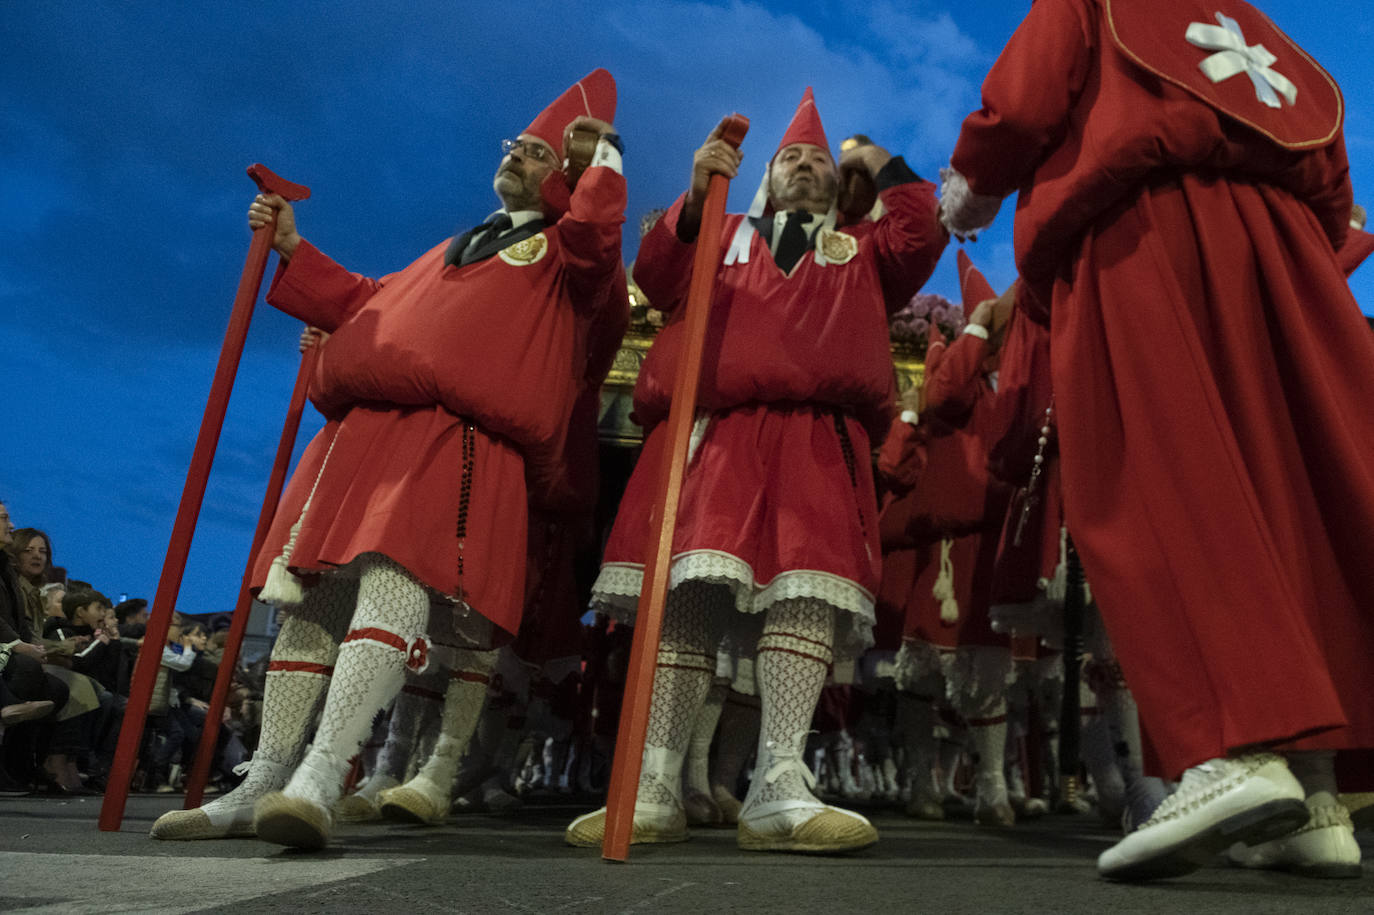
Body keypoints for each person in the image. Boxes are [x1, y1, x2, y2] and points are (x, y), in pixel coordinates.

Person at [941, 0, 1374, 881]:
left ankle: (1232, 746)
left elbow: (1021, 108)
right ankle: (1320, 795)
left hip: (1143, 229)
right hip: (1286, 253)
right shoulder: (1270, 37)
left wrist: (971, 184)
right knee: (1288, 488)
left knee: (1163, 476)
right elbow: (1335, 190)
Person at [151, 68, 627, 849]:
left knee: (394, 582)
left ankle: (322, 773)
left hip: (460, 434)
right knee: (307, 604)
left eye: (540, 151)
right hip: (368, 430)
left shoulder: (571, 258)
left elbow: (597, 242)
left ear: (570, 174)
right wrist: (295, 250)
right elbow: (373, 300)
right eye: (516, 145)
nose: (516, 156)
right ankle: (265, 777)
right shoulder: (460, 239)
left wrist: (602, 157)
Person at [566, 88, 947, 854]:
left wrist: (873, 157)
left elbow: (921, 225)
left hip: (819, 434)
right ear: (766, 177)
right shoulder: (723, 230)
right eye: (790, 159)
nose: (805, 167)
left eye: (818, 161)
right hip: (718, 431)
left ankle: (777, 782)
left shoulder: (861, 247)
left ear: (839, 186)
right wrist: (697, 187)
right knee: (687, 601)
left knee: (803, 596)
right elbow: (659, 272)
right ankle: (654, 783)